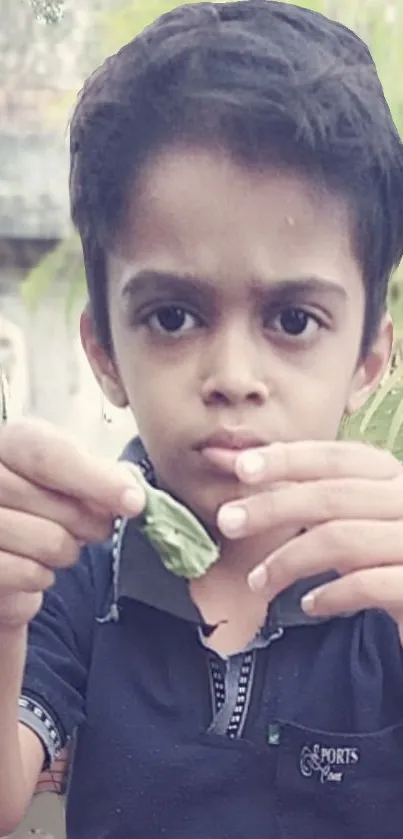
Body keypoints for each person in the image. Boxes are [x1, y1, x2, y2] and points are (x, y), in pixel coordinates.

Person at [1, 1, 403, 836]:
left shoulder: (382, 593)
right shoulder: (78, 576)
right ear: (105, 350)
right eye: (173, 316)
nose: (230, 377)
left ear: (369, 357)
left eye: (292, 320)